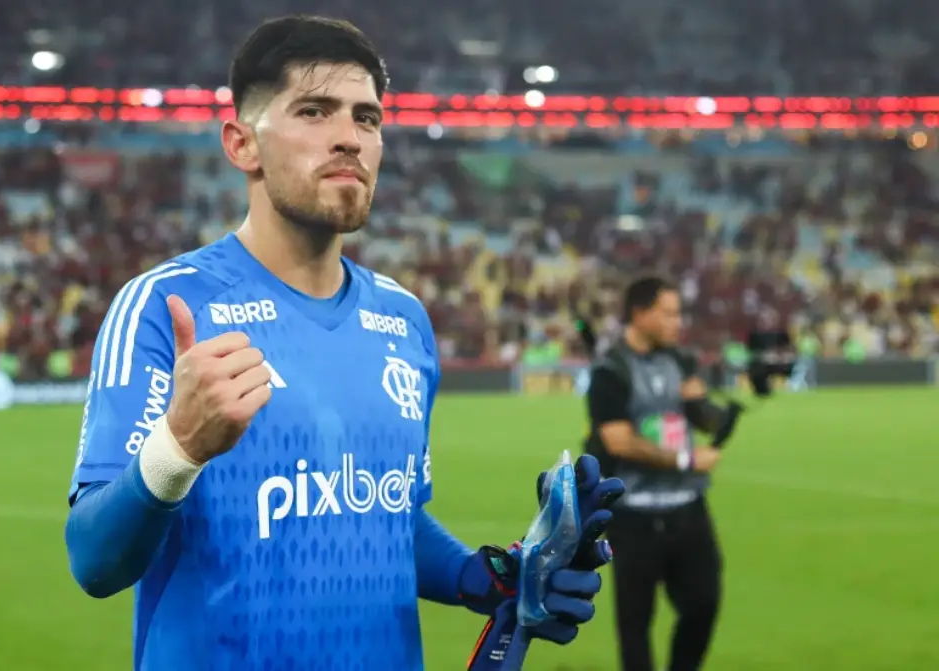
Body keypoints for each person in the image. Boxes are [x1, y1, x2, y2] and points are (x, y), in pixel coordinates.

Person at [63, 15, 622, 671]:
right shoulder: (165, 306)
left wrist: (490, 577)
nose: (350, 138)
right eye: (314, 111)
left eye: (367, 119)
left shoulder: (404, 320)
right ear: (242, 144)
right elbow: (94, 560)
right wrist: (177, 447)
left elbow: (389, 520)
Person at [583, 276, 735, 671]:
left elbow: (700, 412)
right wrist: (685, 460)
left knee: (704, 602)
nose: (677, 321)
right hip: (633, 513)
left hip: (687, 508)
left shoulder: (679, 361)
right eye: (668, 313)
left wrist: (726, 413)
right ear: (639, 313)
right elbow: (619, 442)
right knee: (635, 623)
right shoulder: (611, 371)